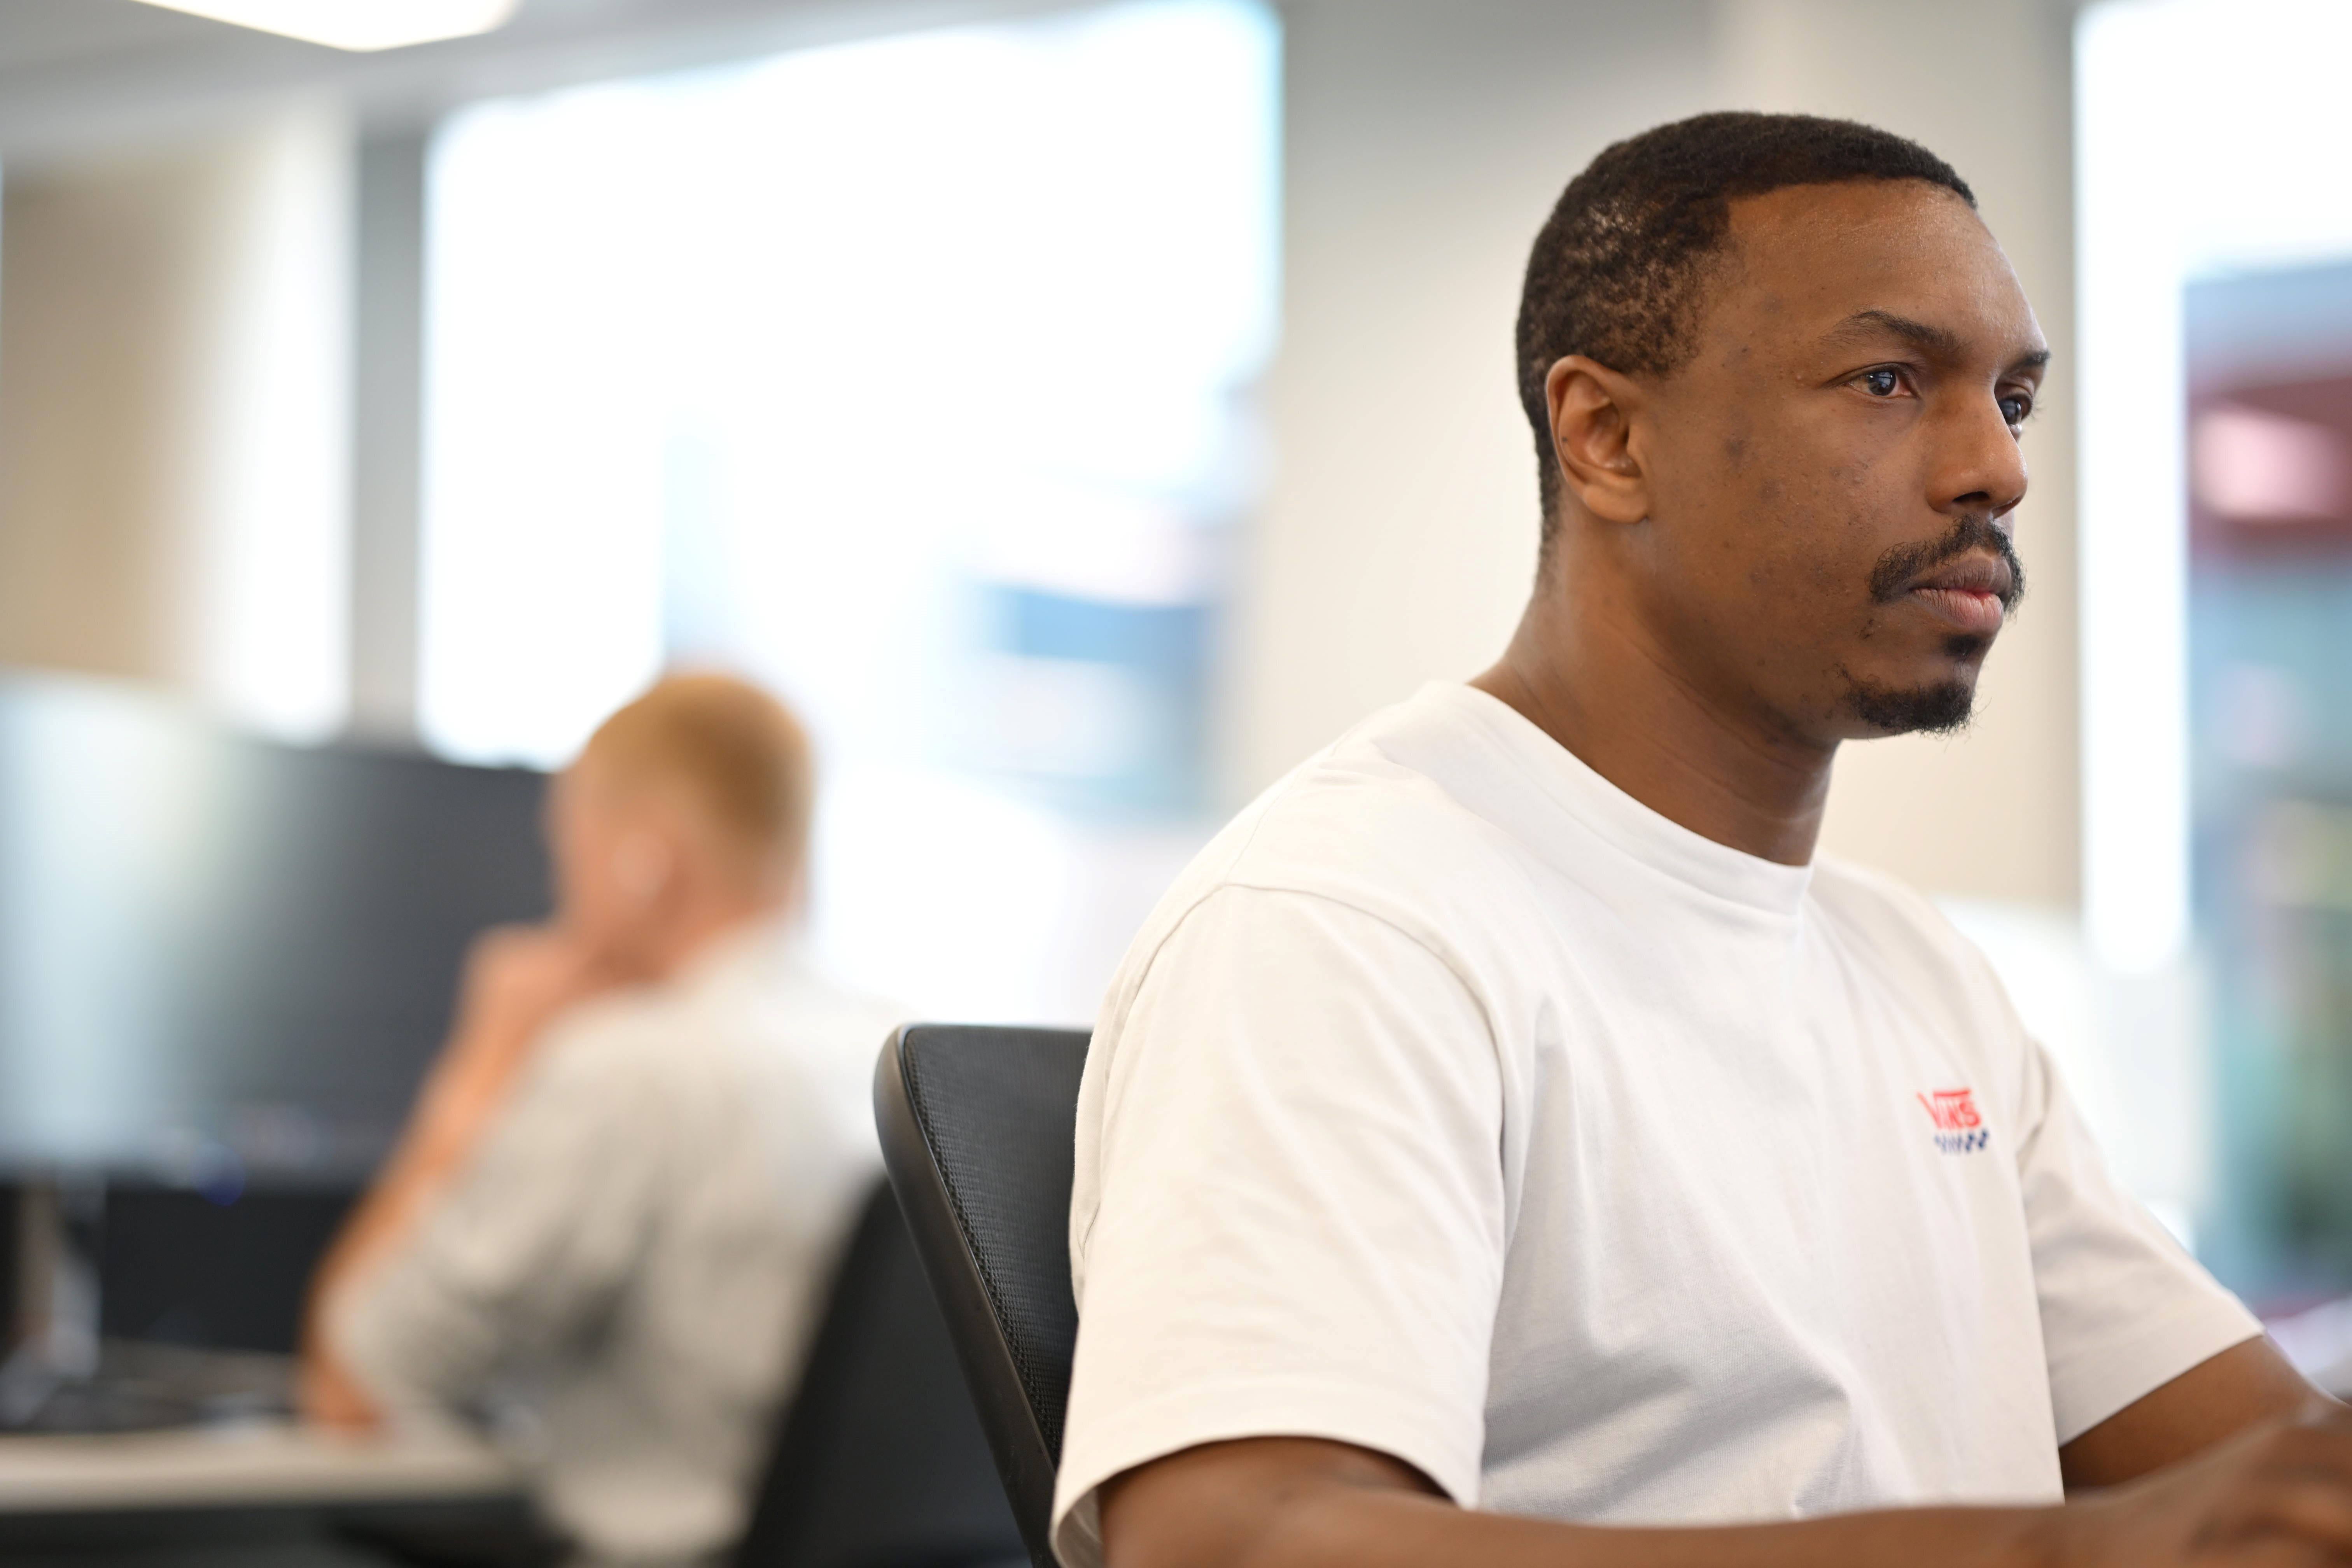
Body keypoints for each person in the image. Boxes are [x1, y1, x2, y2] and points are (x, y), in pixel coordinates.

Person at [1052, 112, 2352, 1568]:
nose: (1997, 466)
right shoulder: (1349, 919)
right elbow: (1238, 1538)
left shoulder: (1914, 970)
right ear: (1607, 439)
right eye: (1887, 380)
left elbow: (2265, 1476)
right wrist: (2070, 1554)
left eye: (2012, 399)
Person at [302, 674, 903, 1568]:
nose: (560, 887)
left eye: (568, 848)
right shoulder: (903, 1050)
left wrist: (477, 1073)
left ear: (643, 863)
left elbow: (355, 1382)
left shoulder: (630, 1070)